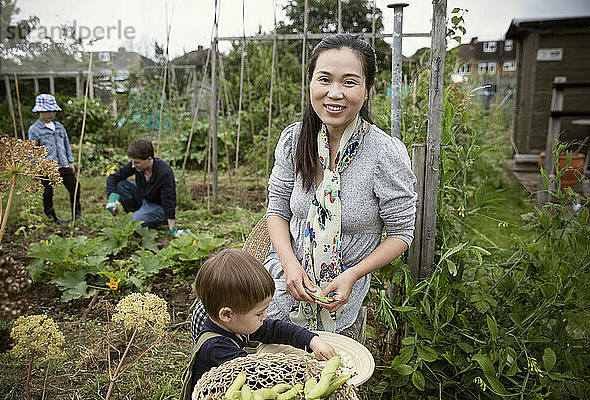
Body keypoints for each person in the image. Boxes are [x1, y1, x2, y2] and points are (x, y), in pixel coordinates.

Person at [264, 33, 417, 337]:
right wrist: (290, 266)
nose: (334, 93)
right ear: (311, 84)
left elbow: (401, 234)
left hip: (339, 300)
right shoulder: (294, 140)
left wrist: (352, 275)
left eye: (349, 82)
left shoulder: (384, 153)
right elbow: (277, 210)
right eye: (324, 80)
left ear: (368, 90)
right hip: (282, 285)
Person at [180, 248, 336, 400]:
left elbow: (276, 329)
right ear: (227, 314)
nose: (265, 316)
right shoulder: (216, 347)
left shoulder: (236, 324)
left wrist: (311, 340)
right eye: (259, 313)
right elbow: (258, 374)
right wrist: (310, 370)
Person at [105, 139, 188, 236]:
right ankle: (137, 214)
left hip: (158, 207)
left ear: (149, 159)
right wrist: (112, 197)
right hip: (144, 199)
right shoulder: (136, 165)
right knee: (121, 184)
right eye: (132, 162)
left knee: (132, 224)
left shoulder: (164, 172)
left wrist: (172, 229)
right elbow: (113, 177)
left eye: (137, 162)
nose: (133, 165)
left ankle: (151, 219)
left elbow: (169, 200)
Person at [28, 93, 82, 224]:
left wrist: (69, 161)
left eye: (53, 111)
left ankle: (77, 214)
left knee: (75, 187)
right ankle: (51, 216)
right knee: (47, 192)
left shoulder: (59, 126)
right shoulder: (35, 129)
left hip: (62, 164)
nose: (51, 114)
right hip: (46, 166)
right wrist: (34, 168)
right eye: (47, 111)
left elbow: (66, 144)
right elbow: (32, 150)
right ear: (40, 111)